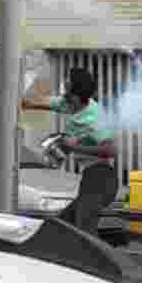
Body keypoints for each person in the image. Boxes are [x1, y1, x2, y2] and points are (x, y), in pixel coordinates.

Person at [22, 67, 118, 236]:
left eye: (67, 81)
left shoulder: (94, 118)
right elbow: (30, 103)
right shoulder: (67, 103)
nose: (64, 82)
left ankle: (95, 262)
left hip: (101, 179)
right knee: (60, 228)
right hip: (90, 177)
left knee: (85, 232)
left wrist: (74, 147)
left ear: (74, 92)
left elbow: (111, 150)